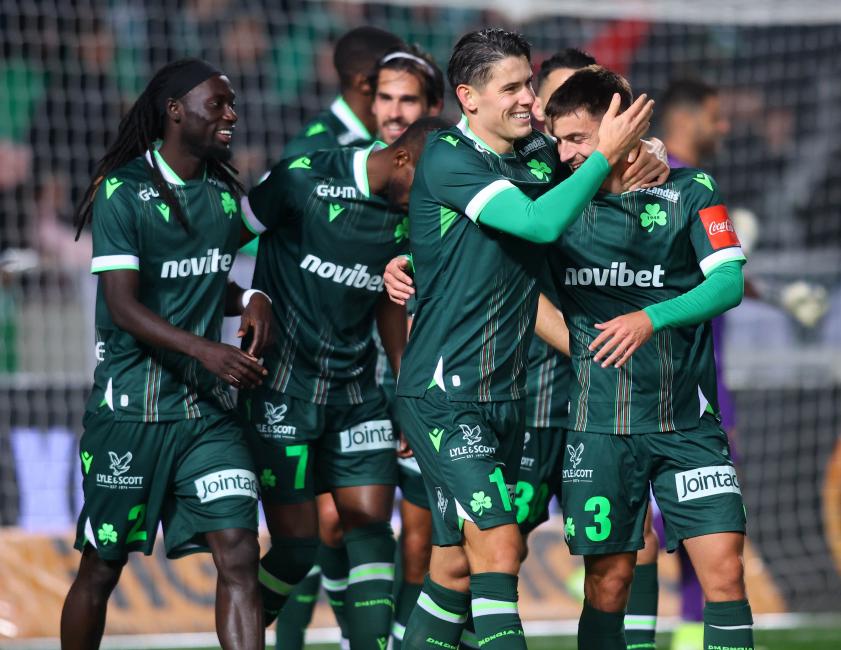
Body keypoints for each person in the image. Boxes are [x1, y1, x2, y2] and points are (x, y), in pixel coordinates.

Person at [391, 28, 652, 649]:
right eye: (511, 88)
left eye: (528, 83)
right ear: (468, 97)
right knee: (501, 546)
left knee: (455, 568)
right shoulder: (449, 157)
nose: (528, 99)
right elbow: (538, 223)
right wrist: (604, 156)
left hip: (505, 396)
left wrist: (647, 153)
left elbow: (587, 153)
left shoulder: (534, 151)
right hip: (444, 395)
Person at [62, 59, 273, 650]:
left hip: (206, 414)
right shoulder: (122, 191)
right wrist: (205, 348)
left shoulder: (224, 197)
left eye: (232, 104)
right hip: (131, 412)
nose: (231, 115)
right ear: (175, 110)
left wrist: (252, 297)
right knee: (102, 568)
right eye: (218, 104)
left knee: (239, 553)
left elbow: (206, 283)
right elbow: (123, 305)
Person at [543, 65, 752, 650]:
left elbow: (729, 283)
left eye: (579, 138)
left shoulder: (692, 190)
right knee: (608, 584)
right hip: (601, 427)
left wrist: (650, 317)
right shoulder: (551, 200)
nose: (566, 154)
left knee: (725, 573)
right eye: (560, 141)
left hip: (687, 423)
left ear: (622, 126)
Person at [239, 116, 450, 649]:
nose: (432, 197)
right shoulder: (301, 179)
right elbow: (221, 242)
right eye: (428, 182)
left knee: (372, 530)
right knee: (296, 548)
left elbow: (387, 301)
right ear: (401, 159)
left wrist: (405, 389)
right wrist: (247, 298)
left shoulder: (407, 215)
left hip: (357, 394)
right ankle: (239, 629)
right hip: (283, 391)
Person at [282, 26, 405, 158]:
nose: (407, 82)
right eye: (397, 74)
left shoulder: (401, 132)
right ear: (364, 83)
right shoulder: (311, 150)